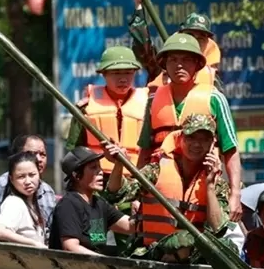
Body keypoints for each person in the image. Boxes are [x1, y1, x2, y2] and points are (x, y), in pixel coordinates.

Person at [136, 32, 243, 221]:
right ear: (164, 65)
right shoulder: (153, 100)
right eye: (174, 59)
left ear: (197, 65)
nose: (179, 65)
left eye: (186, 60)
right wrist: (138, 194)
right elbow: (145, 150)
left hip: (205, 187)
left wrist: (235, 194)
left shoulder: (214, 98)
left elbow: (230, 150)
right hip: (162, 187)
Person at [104, 114, 234, 264]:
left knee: (227, 247)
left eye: (204, 139)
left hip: (191, 258)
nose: (197, 144)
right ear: (180, 138)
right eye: (191, 138)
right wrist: (119, 163)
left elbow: (217, 228)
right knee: (180, 241)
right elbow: (118, 193)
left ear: (212, 144)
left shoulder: (217, 183)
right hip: (153, 252)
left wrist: (210, 186)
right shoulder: (157, 169)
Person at [64, 45, 149, 181]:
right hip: (98, 178)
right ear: (104, 74)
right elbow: (74, 150)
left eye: (128, 72)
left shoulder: (148, 105)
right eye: (116, 73)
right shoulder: (85, 108)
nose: (123, 79)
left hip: (137, 178)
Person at [0, 135, 56, 248]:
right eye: (32, 154)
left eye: (43, 154)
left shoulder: (48, 191)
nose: (39, 159)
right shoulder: (3, 185)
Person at [128, 0, 221, 85]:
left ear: (207, 43)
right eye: (190, 35)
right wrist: (138, 5)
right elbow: (143, 47)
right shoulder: (163, 65)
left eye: (201, 38)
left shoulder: (213, 78)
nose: (195, 41)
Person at [49, 146, 138, 256]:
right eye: (93, 167)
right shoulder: (68, 204)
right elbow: (70, 247)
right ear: (76, 175)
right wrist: (106, 264)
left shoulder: (99, 204)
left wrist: (141, 210)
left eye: (99, 167)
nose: (100, 172)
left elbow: (130, 227)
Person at [0, 151, 47, 247]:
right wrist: (33, 243)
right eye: (21, 177)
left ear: (39, 174)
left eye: (32, 175)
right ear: (11, 179)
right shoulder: (15, 203)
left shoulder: (35, 202)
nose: (28, 181)